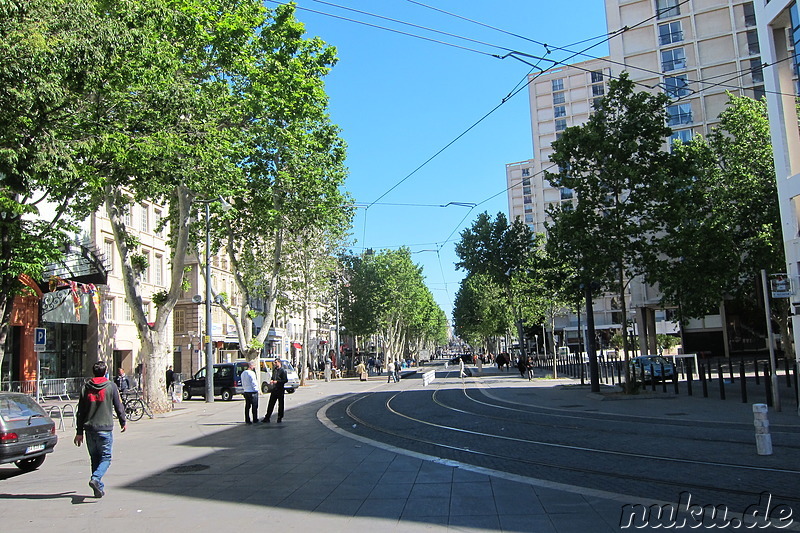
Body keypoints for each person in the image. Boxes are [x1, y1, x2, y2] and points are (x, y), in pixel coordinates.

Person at [74, 360, 127, 499]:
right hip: (105, 427)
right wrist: (123, 421)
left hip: (89, 428)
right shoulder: (111, 386)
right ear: (105, 371)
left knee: (95, 458)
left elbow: (80, 411)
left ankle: (98, 488)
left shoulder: (86, 387)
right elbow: (118, 405)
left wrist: (79, 432)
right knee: (106, 458)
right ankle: (96, 479)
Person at [263, 358, 288, 423]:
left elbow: (285, 380)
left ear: (279, 363)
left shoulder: (283, 371)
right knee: (271, 404)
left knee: (281, 404)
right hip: (274, 389)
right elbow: (273, 377)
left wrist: (277, 382)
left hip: (280, 389)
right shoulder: (274, 370)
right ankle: (267, 417)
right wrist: (272, 380)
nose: (275, 363)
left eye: (276, 362)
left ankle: (280, 417)